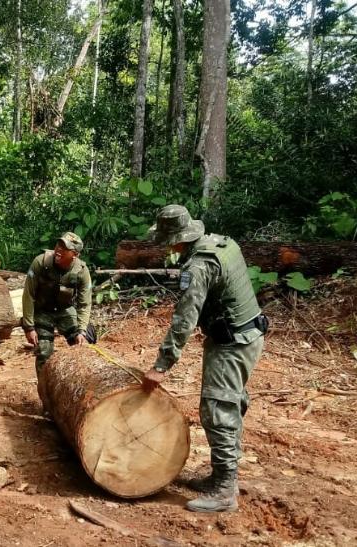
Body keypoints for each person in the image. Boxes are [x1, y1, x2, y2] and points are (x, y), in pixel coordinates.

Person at [141, 205, 268, 513]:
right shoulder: (222, 243)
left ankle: (225, 489)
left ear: (176, 238)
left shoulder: (198, 266)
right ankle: (222, 476)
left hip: (232, 343)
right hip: (250, 334)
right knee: (231, 403)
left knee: (217, 408)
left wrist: (162, 364)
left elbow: (184, 319)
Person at [20, 232, 93, 408]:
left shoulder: (81, 271)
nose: (59, 250)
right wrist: (29, 327)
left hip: (64, 311)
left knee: (84, 343)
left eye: (64, 248)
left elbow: (85, 304)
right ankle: (47, 400)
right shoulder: (41, 262)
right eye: (58, 245)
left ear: (74, 254)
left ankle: (81, 391)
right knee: (44, 352)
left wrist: (82, 330)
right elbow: (28, 295)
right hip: (42, 311)